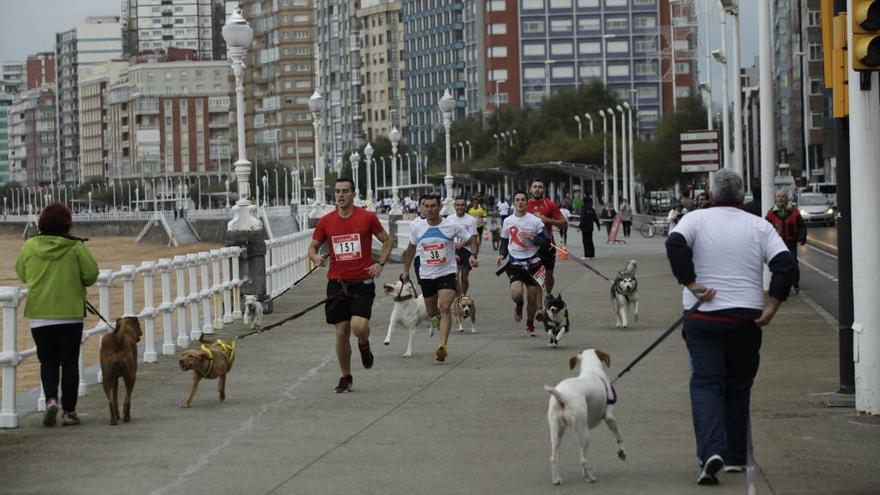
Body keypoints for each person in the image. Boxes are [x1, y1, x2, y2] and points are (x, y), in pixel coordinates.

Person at [665, 169, 796, 486]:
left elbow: (675, 244)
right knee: (738, 385)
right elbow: (785, 265)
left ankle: (710, 452)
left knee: (707, 384)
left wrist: (691, 283)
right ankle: (736, 455)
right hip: (745, 319)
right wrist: (773, 307)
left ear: (711, 194)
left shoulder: (695, 220)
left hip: (703, 318)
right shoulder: (760, 226)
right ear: (742, 197)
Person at [15, 203, 99, 426]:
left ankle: (51, 399)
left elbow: (21, 273)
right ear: (67, 223)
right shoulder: (75, 247)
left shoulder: (29, 246)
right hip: (69, 314)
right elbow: (91, 275)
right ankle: (69, 412)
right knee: (70, 363)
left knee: (48, 361)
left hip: (40, 314)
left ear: (41, 222)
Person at [308, 177, 394, 393]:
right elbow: (312, 248)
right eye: (337, 191)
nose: (340, 195)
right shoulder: (326, 222)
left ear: (353, 194)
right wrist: (316, 258)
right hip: (337, 283)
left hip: (362, 282)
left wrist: (380, 263)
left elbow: (387, 240)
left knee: (359, 327)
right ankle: (345, 376)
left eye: (345, 191)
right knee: (341, 332)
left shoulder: (367, 218)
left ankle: (364, 344)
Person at [402, 194, 478, 362]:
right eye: (426, 206)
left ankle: (441, 346)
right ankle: (436, 319)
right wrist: (406, 270)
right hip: (427, 274)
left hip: (447, 273)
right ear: (422, 208)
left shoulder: (451, 226)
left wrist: (473, 255)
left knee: (444, 307)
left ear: (440, 207)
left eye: (433, 206)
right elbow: (410, 250)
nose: (429, 209)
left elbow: (471, 238)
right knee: (431, 312)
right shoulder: (417, 228)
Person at [499, 191, 550, 336]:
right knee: (517, 294)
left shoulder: (535, 221)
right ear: (513, 203)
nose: (520, 202)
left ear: (527, 203)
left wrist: (534, 238)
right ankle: (519, 305)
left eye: (523, 200)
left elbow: (547, 242)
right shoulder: (508, 221)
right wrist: (502, 254)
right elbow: (504, 240)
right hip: (515, 263)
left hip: (533, 263)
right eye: (517, 200)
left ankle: (530, 324)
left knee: (532, 298)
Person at [527, 179, 567, 295]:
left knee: (549, 274)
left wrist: (547, 220)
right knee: (533, 275)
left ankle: (548, 295)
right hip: (531, 247)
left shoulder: (549, 204)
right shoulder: (525, 204)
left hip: (548, 245)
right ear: (530, 189)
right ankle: (535, 299)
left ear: (543, 190)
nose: (537, 189)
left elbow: (564, 223)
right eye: (535, 187)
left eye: (540, 187)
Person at [765, 189, 807, 293]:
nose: (781, 198)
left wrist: (802, 237)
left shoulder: (794, 211)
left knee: (793, 263)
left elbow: (801, 226)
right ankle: (781, 286)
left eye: (783, 196)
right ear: (776, 198)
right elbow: (765, 227)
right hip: (776, 243)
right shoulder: (771, 213)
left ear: (786, 198)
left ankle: (795, 285)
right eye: (778, 196)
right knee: (779, 265)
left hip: (790, 242)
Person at [447, 197, 479, 295]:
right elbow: (447, 235)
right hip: (453, 250)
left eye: (462, 205)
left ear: (465, 206)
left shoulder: (471, 220)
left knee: (464, 277)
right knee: (455, 275)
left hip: (467, 250)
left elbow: (473, 237)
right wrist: (453, 245)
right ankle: (456, 295)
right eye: (458, 205)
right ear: (454, 206)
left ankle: (463, 296)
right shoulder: (449, 219)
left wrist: (461, 244)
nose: (460, 207)